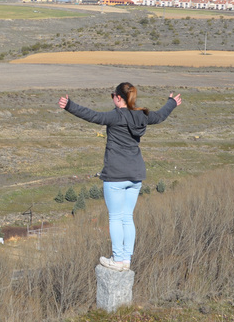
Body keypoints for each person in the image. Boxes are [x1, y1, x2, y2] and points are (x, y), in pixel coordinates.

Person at [58, 82, 181, 272]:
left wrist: (69, 105)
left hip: (115, 175)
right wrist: (171, 102)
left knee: (115, 217)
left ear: (118, 98)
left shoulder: (115, 117)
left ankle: (117, 259)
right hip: (135, 175)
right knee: (127, 217)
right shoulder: (143, 115)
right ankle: (126, 260)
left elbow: (93, 116)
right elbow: (161, 115)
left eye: (112, 95)